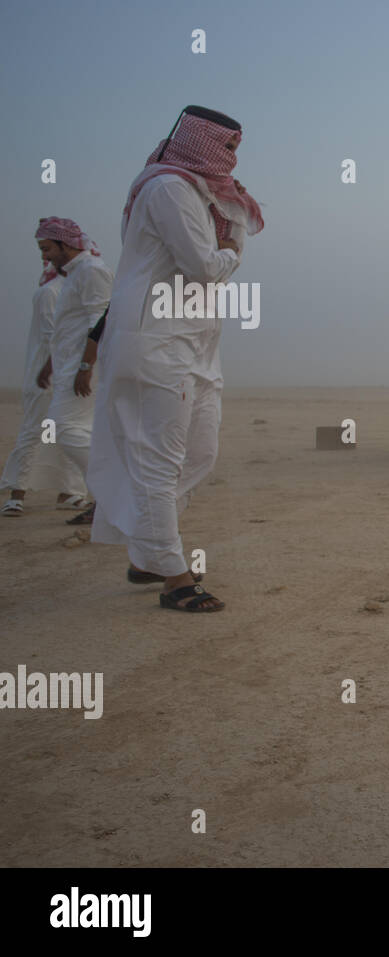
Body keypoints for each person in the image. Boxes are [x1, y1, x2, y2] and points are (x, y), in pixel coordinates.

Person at [87, 105, 263, 612]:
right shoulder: (169, 189)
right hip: (154, 342)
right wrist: (232, 249)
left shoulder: (207, 196)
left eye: (235, 148)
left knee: (200, 452)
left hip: (196, 345)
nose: (232, 157)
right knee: (158, 464)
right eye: (226, 147)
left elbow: (223, 249)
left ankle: (147, 551)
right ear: (198, 143)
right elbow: (205, 267)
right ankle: (174, 578)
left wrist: (232, 236)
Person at [33, 218, 114, 525]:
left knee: (63, 427)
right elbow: (69, 328)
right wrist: (52, 365)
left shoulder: (92, 271)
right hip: (70, 365)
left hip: (83, 367)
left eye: (47, 248)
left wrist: (86, 366)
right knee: (82, 431)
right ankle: (104, 500)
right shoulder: (75, 274)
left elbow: (102, 320)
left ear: (66, 244)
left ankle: (112, 494)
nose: (45, 257)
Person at [0, 255, 89, 516]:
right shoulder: (49, 293)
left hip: (67, 375)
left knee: (68, 432)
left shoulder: (72, 290)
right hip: (46, 377)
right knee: (34, 432)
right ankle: (17, 492)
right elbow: (56, 337)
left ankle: (70, 491)